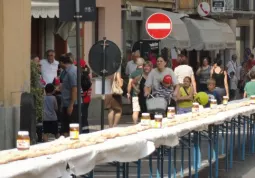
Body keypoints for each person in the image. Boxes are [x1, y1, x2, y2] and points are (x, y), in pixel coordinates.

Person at [59, 55, 78, 137]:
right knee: (66, 128)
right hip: (66, 102)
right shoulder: (66, 71)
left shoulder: (71, 72)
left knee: (71, 127)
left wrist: (71, 105)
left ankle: (73, 144)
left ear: (62, 63)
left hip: (70, 103)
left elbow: (74, 88)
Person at [127, 57, 144, 124]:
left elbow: (129, 84)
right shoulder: (146, 72)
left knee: (135, 111)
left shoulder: (133, 73)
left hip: (135, 94)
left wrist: (128, 93)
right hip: (144, 94)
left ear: (136, 64)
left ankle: (135, 124)